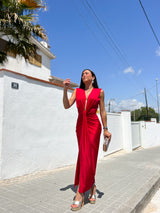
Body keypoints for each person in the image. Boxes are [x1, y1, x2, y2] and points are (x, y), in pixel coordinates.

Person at [63, 69, 111, 211]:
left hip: (93, 125)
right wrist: (65, 90)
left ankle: (80, 193)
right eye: (82, 74)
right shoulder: (77, 91)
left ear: (93, 77)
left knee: (89, 157)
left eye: (87, 73)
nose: (84, 75)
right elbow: (66, 105)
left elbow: (102, 111)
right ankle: (93, 186)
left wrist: (105, 128)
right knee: (84, 156)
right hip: (80, 125)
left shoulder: (100, 92)